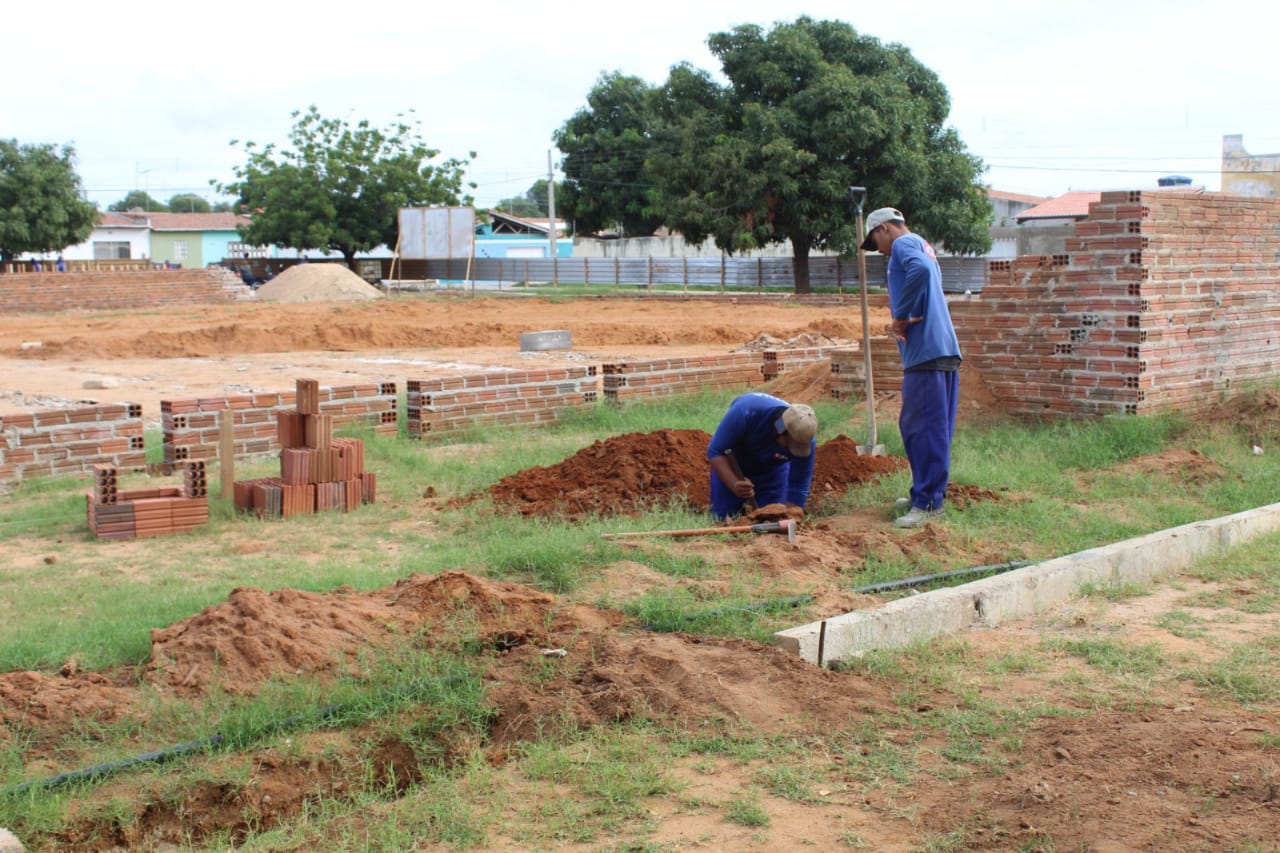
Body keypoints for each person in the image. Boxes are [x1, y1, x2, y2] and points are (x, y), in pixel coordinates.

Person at [861, 207, 962, 528]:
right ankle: (926, 494)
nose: (878, 249)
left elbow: (916, 271)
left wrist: (900, 315)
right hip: (942, 349)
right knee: (932, 428)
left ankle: (929, 503)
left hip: (926, 353)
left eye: (875, 240)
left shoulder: (905, 245)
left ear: (885, 228)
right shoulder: (924, 245)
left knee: (922, 429)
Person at [706, 392, 817, 520]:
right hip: (733, 464)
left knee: (773, 518)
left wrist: (791, 516)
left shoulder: (804, 438)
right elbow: (715, 451)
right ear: (781, 430)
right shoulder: (745, 411)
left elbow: (799, 485)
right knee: (722, 519)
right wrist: (734, 483)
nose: (792, 450)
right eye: (790, 445)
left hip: (772, 471)